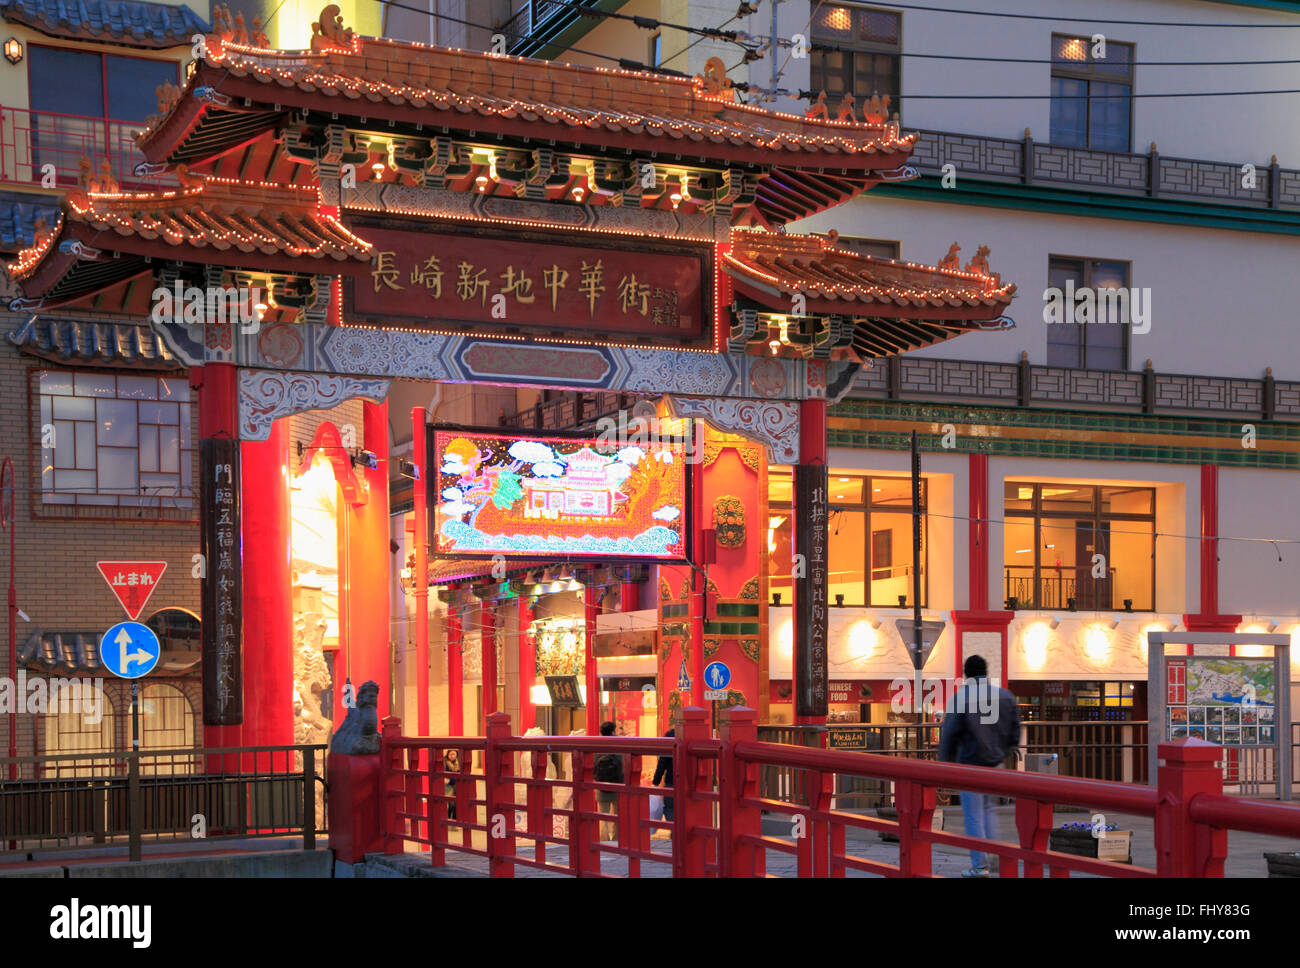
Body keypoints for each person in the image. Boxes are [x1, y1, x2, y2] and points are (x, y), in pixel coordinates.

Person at [937, 654, 1021, 878]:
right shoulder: (1005, 696)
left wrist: (944, 765)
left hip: (971, 765)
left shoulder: (961, 698)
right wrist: (1003, 751)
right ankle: (991, 856)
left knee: (974, 815)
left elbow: (950, 736)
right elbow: (1015, 733)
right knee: (989, 810)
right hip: (996, 763)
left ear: (966, 674)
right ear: (986, 672)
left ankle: (980, 865)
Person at [594, 721, 624, 842]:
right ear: (612, 731)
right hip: (617, 785)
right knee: (617, 817)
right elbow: (623, 764)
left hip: (601, 786)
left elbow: (593, 765)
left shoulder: (597, 744)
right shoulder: (618, 744)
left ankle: (604, 840)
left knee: (603, 817)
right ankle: (616, 839)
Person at [651, 727, 675, 837]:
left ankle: (674, 830)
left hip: (671, 780)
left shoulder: (670, 735)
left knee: (670, 807)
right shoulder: (692, 736)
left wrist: (656, 781)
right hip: (689, 782)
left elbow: (662, 762)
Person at [443, 749, 460, 821]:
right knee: (451, 803)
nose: (452, 756)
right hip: (448, 785)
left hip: (456, 784)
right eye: (450, 754)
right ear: (447, 754)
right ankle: (448, 817)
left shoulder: (458, 763)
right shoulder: (444, 763)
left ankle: (455, 818)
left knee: (457, 802)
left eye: (454, 754)